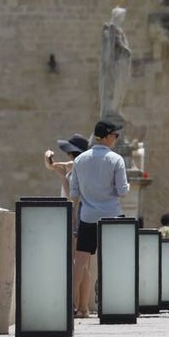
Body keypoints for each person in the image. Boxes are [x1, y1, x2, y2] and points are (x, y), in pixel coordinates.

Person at [68, 121, 130, 318]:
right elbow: (122, 191)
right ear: (107, 136)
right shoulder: (116, 160)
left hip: (88, 216)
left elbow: (74, 192)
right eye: (115, 136)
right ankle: (116, 303)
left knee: (81, 261)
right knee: (115, 260)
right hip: (112, 216)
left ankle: (71, 303)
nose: (116, 139)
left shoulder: (80, 160)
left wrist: (74, 219)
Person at [44, 133, 90, 198]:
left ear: (70, 154)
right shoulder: (85, 167)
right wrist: (47, 155)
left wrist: (63, 177)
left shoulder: (72, 166)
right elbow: (51, 165)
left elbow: (72, 199)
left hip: (71, 204)